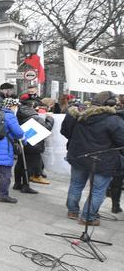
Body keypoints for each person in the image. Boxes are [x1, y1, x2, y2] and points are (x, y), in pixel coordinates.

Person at [61, 91, 124, 226]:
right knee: (98, 190)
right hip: (103, 161)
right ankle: (88, 217)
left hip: (79, 156)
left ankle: (72, 211)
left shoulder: (78, 114)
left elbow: (65, 132)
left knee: (76, 185)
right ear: (110, 103)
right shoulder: (113, 120)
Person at [13, 98, 54, 192]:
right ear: (32, 106)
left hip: (23, 142)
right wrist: (50, 118)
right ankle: (25, 186)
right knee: (29, 165)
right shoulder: (34, 117)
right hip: (33, 144)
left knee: (20, 163)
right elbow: (47, 128)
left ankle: (17, 183)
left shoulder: (20, 113)